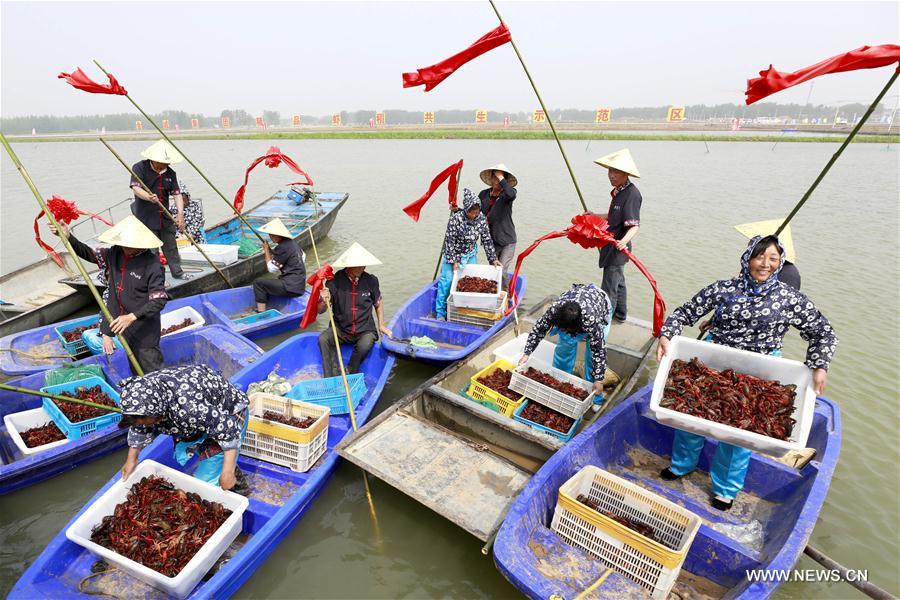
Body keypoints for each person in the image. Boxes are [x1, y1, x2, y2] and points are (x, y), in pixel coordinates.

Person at [656, 235, 837, 511]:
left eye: (773, 258)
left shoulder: (789, 298)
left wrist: (819, 365)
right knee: (692, 414)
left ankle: (725, 490)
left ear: (780, 263)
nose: (765, 264)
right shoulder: (725, 288)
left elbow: (823, 332)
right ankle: (682, 465)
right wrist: (667, 335)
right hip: (713, 364)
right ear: (747, 258)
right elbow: (685, 312)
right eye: (759, 256)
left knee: (741, 433)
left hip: (760, 372)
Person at [50, 216, 168, 373]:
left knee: (153, 371)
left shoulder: (152, 265)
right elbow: (89, 254)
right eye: (123, 243)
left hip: (144, 330)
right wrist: (68, 237)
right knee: (136, 370)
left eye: (129, 245)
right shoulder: (115, 253)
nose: (125, 248)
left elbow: (158, 301)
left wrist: (132, 317)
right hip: (124, 329)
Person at [117, 364, 250, 495]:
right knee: (208, 458)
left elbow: (228, 431)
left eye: (151, 422)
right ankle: (232, 479)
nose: (147, 426)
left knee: (204, 484)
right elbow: (140, 425)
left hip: (228, 415)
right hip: (205, 413)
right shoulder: (143, 396)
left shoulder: (189, 410)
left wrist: (228, 471)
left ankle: (235, 484)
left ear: (158, 413)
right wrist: (132, 459)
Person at [519, 284, 610, 402]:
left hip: (600, 305)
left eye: (570, 330)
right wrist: (526, 354)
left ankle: (595, 398)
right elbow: (538, 330)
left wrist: (599, 380)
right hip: (574, 307)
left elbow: (598, 351)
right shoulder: (555, 310)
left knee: (591, 357)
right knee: (565, 348)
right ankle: (559, 386)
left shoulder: (591, 321)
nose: (567, 331)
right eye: (564, 328)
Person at [318, 242, 392, 377]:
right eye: (357, 264)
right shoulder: (334, 281)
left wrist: (381, 324)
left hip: (364, 330)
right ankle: (329, 376)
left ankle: (350, 372)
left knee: (365, 345)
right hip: (340, 329)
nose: (360, 268)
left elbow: (378, 303)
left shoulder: (371, 280)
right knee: (323, 339)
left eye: (363, 264)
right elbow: (320, 310)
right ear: (348, 265)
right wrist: (323, 299)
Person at [435, 189, 503, 319]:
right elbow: (449, 241)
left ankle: (467, 311)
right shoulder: (456, 219)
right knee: (447, 282)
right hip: (453, 254)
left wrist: (493, 258)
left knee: (472, 282)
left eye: (477, 212)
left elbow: (487, 239)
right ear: (466, 210)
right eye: (472, 212)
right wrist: (454, 261)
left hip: (470, 254)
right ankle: (440, 313)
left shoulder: (481, 219)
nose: (474, 215)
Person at [130, 139, 191, 280]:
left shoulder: (170, 173)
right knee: (151, 250)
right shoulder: (139, 168)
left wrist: (180, 214)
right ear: (154, 159)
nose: (167, 164)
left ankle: (178, 272)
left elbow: (177, 194)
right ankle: (156, 278)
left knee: (171, 247)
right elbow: (136, 188)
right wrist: (148, 197)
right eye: (164, 162)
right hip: (146, 217)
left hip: (165, 217)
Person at [593, 149, 642, 323]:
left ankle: (603, 324)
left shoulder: (632, 194)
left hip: (617, 248)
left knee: (609, 289)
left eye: (616, 172)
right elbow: (613, 216)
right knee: (619, 282)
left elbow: (634, 225)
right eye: (610, 171)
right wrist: (594, 215)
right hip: (611, 245)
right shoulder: (619, 191)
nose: (611, 175)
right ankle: (620, 315)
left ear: (626, 174)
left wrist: (623, 242)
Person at [253, 218, 306, 313]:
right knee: (272, 281)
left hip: (291, 287)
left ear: (279, 235)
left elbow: (271, 269)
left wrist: (266, 250)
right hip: (300, 286)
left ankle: (261, 312)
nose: (270, 236)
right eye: (270, 234)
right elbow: (303, 256)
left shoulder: (282, 247)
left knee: (258, 283)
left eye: (273, 234)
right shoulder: (293, 243)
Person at [478, 164, 518, 289]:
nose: (496, 181)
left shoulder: (508, 194)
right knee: (494, 270)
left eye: (499, 178)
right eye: (494, 177)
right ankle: (494, 292)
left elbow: (511, 194)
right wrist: (457, 210)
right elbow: (474, 212)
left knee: (502, 270)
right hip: (491, 240)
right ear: (490, 178)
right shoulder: (484, 194)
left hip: (507, 240)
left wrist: (501, 177)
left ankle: (506, 295)